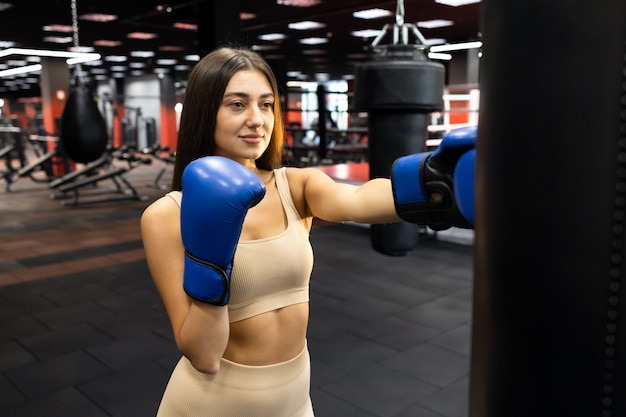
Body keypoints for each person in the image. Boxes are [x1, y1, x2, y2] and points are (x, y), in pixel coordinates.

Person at [141, 46, 474, 417]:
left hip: (294, 399)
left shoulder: (295, 186)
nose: (257, 119)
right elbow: (203, 355)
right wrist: (211, 259)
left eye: (266, 105)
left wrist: (433, 184)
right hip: (213, 402)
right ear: (206, 113)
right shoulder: (166, 216)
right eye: (237, 104)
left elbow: (359, 199)